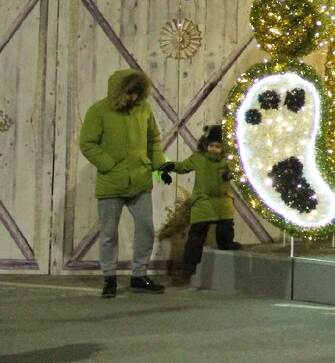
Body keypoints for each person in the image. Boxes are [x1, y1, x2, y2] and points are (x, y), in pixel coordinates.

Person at [78, 69, 170, 298]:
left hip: (140, 180)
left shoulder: (143, 109)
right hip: (111, 183)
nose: (134, 98)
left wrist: (159, 166)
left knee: (146, 228)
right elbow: (87, 144)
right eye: (131, 93)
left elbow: (154, 140)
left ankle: (139, 275)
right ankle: (109, 278)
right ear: (120, 91)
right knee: (109, 233)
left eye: (138, 93)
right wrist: (110, 165)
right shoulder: (98, 111)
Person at [173, 125, 240, 278]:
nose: (214, 149)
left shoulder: (228, 160)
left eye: (217, 146)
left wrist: (231, 174)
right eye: (211, 145)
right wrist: (170, 165)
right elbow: (183, 167)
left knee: (226, 226)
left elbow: (237, 173)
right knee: (197, 233)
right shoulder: (199, 157)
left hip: (222, 200)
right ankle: (189, 265)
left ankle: (226, 243)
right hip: (203, 200)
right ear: (205, 144)